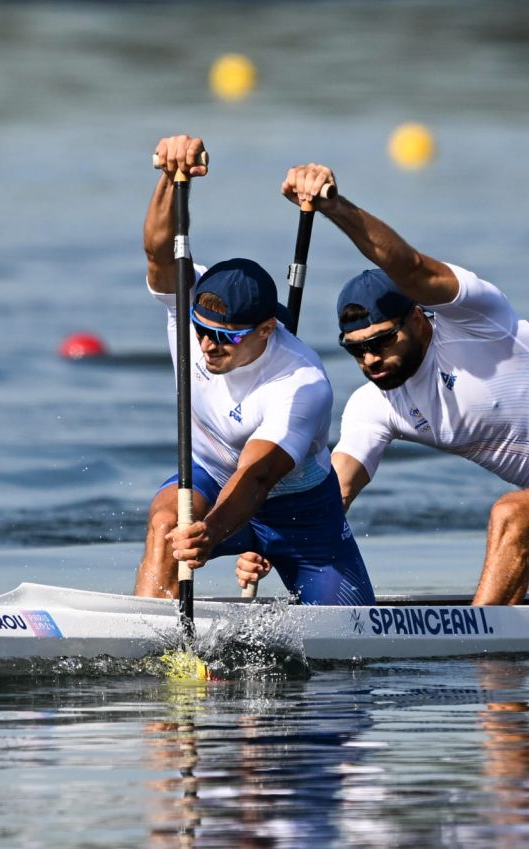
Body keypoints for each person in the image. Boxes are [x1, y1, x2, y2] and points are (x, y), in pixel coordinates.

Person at [236, 163, 529, 606]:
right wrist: (272, 542)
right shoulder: (374, 406)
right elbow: (335, 496)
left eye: (383, 340)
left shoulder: (477, 321)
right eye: (356, 349)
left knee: (510, 516)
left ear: (419, 316)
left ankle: (478, 656)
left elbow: (410, 267)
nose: (370, 359)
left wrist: (336, 208)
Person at [135, 137, 374, 606]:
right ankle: (150, 641)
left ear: (267, 328)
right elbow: (160, 255)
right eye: (201, 330)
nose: (206, 344)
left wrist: (211, 532)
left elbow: (258, 478)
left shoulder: (301, 381)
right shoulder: (190, 310)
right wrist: (169, 179)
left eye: (226, 337)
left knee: (348, 653)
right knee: (167, 522)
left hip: (299, 513)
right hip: (208, 476)